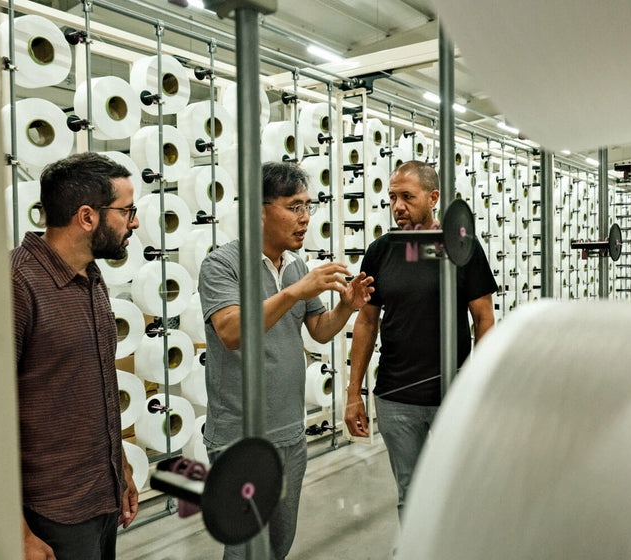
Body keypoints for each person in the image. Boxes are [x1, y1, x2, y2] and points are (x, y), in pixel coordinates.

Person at [198, 161, 374, 560]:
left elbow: (319, 329)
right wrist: (294, 292)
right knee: (244, 548)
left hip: (290, 434)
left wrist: (346, 308)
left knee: (277, 544)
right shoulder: (222, 264)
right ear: (260, 211)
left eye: (307, 207)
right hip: (240, 438)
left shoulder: (295, 266)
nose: (305, 218)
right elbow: (230, 332)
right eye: (294, 207)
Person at [344, 160, 497, 517]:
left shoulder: (462, 249)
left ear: (433, 198)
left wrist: (479, 385)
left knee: (457, 490)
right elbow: (367, 322)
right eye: (392, 198)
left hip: (451, 397)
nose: (398, 206)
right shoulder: (382, 250)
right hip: (396, 399)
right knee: (410, 495)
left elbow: (484, 319)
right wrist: (354, 394)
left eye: (407, 197)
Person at [11, 152, 140, 560]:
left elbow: (96, 384)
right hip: (51, 514)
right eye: (126, 211)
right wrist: (17, 530)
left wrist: (120, 467)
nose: (134, 222)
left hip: (100, 496)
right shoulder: (17, 284)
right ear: (87, 217)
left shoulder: (90, 275)